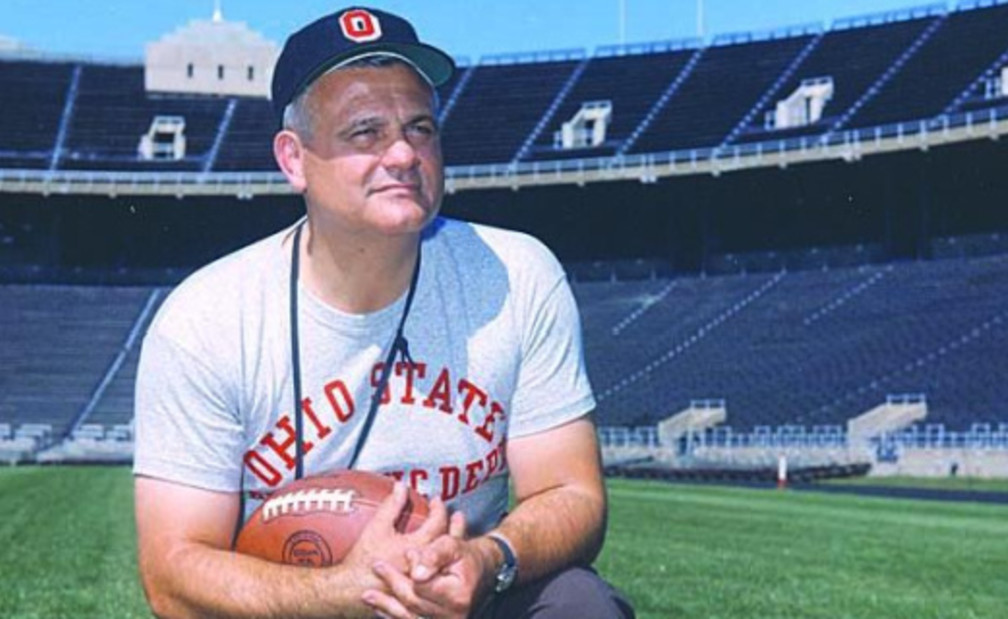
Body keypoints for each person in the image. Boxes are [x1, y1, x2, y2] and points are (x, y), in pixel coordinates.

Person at [133, 6, 634, 618]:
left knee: (579, 602)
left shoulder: (517, 276)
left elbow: (571, 492)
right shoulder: (206, 320)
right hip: (296, 602)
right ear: (294, 159)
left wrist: (488, 559)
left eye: (420, 128)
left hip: (456, 595)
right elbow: (173, 573)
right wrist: (342, 593)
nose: (403, 153)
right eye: (365, 132)